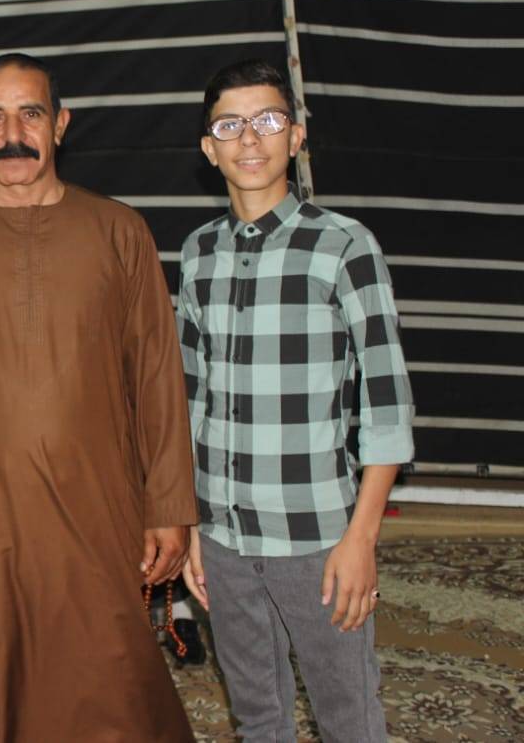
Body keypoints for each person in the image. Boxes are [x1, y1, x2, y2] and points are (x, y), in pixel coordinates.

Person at [0, 53, 197, 741]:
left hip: (98, 507)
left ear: (60, 124)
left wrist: (169, 505)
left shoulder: (119, 231)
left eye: (30, 114)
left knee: (109, 678)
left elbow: (156, 376)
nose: (13, 135)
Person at [178, 59, 415, 742]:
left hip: (318, 538)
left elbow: (388, 404)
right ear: (209, 148)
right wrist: (191, 525)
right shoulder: (198, 254)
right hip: (222, 537)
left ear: (297, 135)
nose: (250, 139)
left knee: (349, 720)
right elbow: (188, 399)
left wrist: (360, 539)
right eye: (230, 125)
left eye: (268, 120)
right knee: (257, 718)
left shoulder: (344, 246)